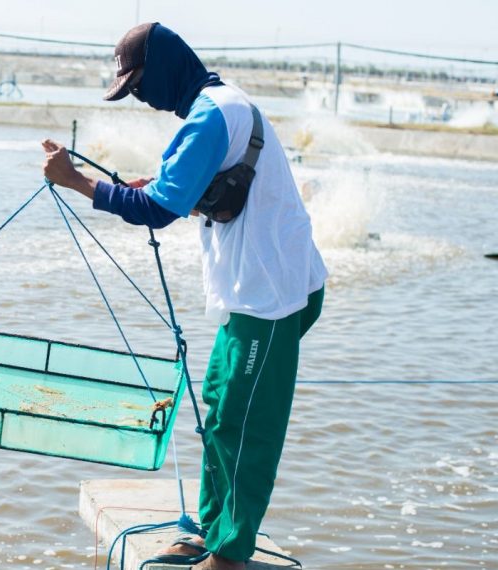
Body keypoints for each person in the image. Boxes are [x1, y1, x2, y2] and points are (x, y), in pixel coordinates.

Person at [41, 22, 327, 570]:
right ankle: (211, 529)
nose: (141, 99)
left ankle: (230, 555)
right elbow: (186, 189)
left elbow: (159, 211)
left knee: (247, 427)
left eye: (140, 84)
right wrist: (150, 184)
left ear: (167, 67)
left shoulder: (213, 116)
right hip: (252, 294)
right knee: (220, 415)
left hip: (271, 297)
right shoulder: (215, 109)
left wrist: (76, 181)